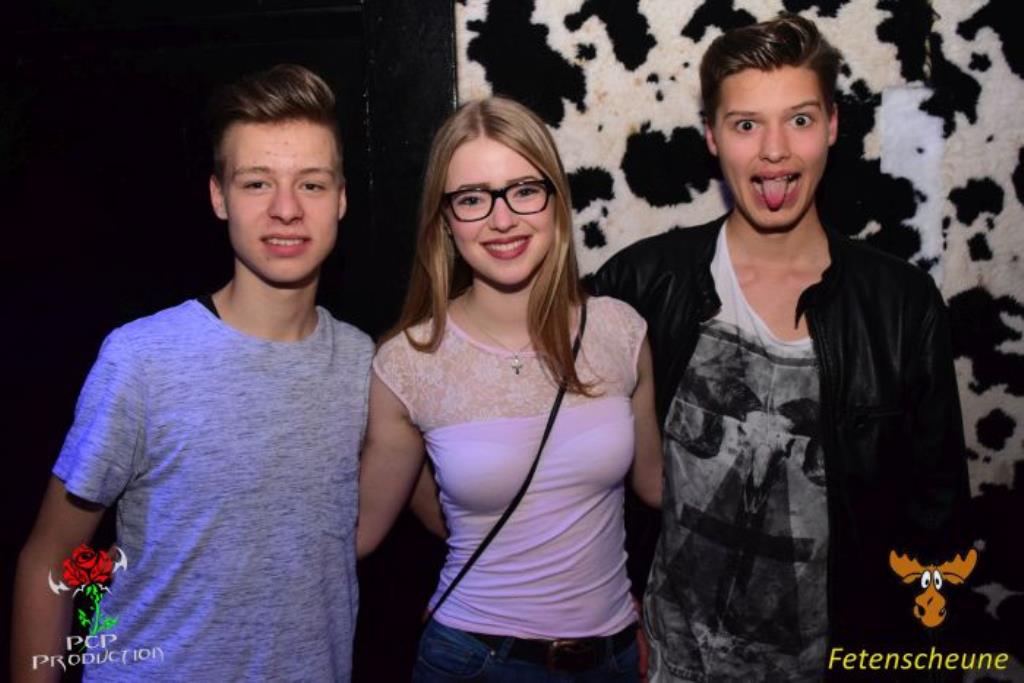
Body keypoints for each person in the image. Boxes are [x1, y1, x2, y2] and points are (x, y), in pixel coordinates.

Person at [589, 13, 971, 682]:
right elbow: (576, 482)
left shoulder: (901, 306)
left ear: (832, 125)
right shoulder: (640, 284)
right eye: (746, 124)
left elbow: (936, 518)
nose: (774, 151)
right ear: (712, 136)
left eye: (798, 119)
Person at [12, 64, 373, 681]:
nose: (286, 209)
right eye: (256, 183)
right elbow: (53, 555)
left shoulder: (364, 364)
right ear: (218, 196)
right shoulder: (143, 359)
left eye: (311, 184)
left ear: (340, 198)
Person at [356, 96, 662, 681]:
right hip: (475, 659)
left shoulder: (620, 331)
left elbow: (657, 487)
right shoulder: (408, 362)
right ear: (445, 220)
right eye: (472, 199)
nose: (502, 220)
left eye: (524, 190)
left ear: (556, 201)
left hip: (613, 658)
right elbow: (366, 529)